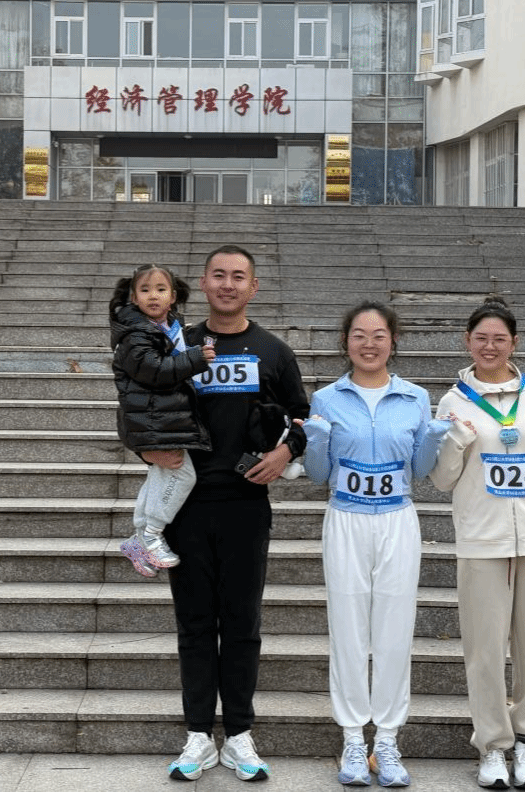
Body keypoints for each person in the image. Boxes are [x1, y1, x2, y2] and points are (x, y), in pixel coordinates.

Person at [141, 244, 309, 783]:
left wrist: (285, 452)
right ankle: (198, 735)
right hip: (184, 507)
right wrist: (146, 450)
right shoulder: (177, 344)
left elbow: (304, 417)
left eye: (239, 276)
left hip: (245, 506)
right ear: (204, 282)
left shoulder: (273, 351)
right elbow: (139, 406)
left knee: (241, 624)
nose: (228, 284)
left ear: (253, 287)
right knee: (194, 624)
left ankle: (237, 734)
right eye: (219, 275)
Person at [430, 296, 525, 791]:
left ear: (514, 343)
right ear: (466, 342)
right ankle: (493, 745)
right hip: (482, 537)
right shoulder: (452, 401)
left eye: (499, 338)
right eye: (481, 338)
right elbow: (442, 480)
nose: (490, 346)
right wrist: (457, 441)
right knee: (484, 647)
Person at [303, 301, 450, 788]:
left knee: (394, 629)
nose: (369, 344)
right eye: (359, 335)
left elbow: (420, 471)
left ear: (393, 340)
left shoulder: (414, 397)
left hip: (396, 519)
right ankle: (351, 737)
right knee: (346, 628)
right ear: (346, 341)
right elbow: (318, 474)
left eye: (379, 335)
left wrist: (433, 440)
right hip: (345, 517)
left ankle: (386, 740)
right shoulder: (326, 398)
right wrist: (316, 441)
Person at [108, 263, 216, 578]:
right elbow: (154, 371)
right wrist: (195, 358)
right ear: (133, 297)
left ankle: (138, 537)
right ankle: (151, 533)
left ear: (173, 296)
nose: (153, 296)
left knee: (160, 475)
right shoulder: (135, 334)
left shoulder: (166, 327)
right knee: (182, 476)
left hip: (161, 417)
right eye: (145, 290)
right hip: (153, 420)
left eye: (160, 289)